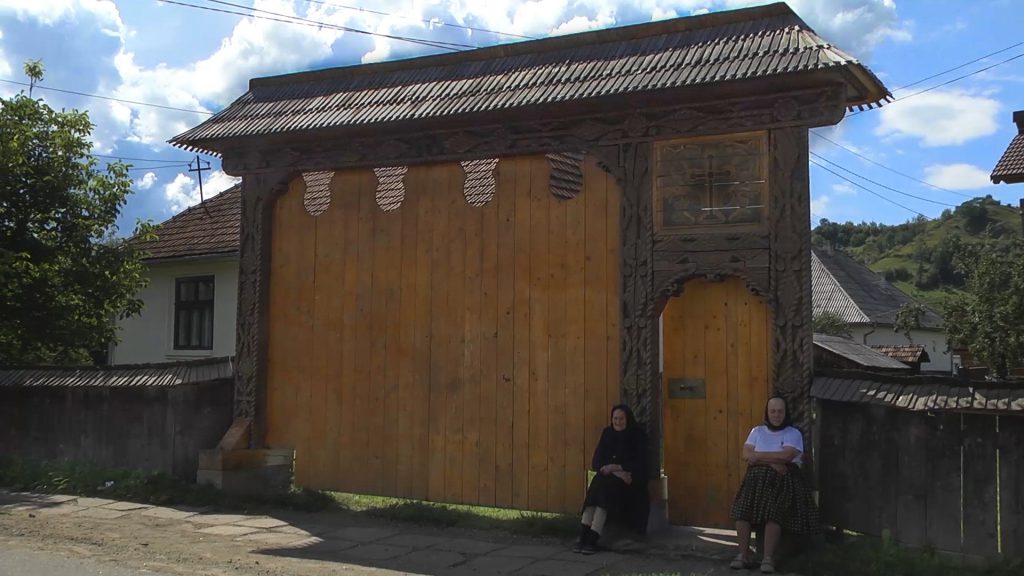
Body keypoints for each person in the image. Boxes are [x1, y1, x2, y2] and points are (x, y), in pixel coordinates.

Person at [729, 396, 819, 574]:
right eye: (773, 411)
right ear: (767, 413)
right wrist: (771, 462)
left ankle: (767, 559)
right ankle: (743, 555)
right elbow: (746, 454)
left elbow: (785, 457)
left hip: (782, 481)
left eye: (780, 411)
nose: (776, 415)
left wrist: (759, 457)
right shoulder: (757, 431)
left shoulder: (793, 433)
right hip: (754, 481)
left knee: (774, 514)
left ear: (785, 413)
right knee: (741, 513)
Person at [573, 404, 649, 555]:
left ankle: (593, 537)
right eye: (615, 419)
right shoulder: (607, 433)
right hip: (609, 476)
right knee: (596, 489)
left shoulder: (637, 436)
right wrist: (616, 471)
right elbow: (597, 462)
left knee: (604, 492)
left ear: (628, 419)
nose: (618, 422)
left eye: (621, 419)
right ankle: (583, 536)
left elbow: (640, 464)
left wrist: (617, 467)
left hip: (629, 482)